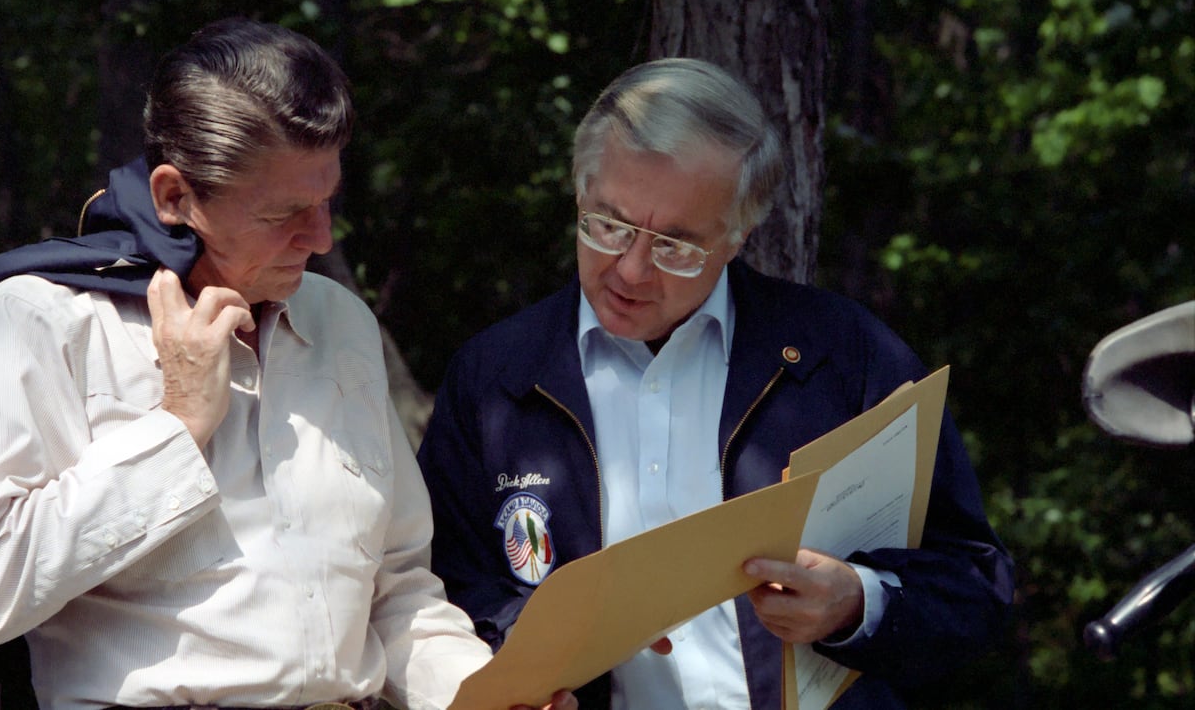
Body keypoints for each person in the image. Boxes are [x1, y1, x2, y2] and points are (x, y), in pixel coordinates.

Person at [0, 17, 575, 710]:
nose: (319, 237)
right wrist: (177, 425)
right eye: (283, 213)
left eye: (327, 201)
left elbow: (396, 592)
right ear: (175, 195)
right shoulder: (41, 318)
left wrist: (485, 691)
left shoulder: (339, 321)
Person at [416, 57, 1015, 710]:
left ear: (738, 235)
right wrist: (523, 649)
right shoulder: (497, 378)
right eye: (608, 224)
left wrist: (856, 602)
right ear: (578, 192)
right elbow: (441, 594)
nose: (632, 270)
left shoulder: (839, 354)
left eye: (676, 245)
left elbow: (975, 587)